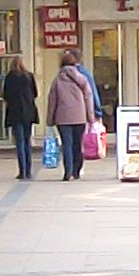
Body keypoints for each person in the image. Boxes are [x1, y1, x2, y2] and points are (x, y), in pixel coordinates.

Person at [47, 52, 100, 183]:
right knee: (78, 144)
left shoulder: (57, 80)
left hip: (63, 118)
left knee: (67, 145)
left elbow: (52, 100)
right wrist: (91, 117)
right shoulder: (82, 79)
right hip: (80, 117)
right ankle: (77, 171)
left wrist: (50, 120)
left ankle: (68, 172)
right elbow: (89, 97)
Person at [0, 55, 42, 179]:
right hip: (28, 112)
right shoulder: (29, 76)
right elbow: (35, 93)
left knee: (20, 142)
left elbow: (5, 95)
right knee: (27, 141)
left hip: (15, 112)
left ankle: (22, 170)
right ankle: (28, 170)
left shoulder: (10, 77)